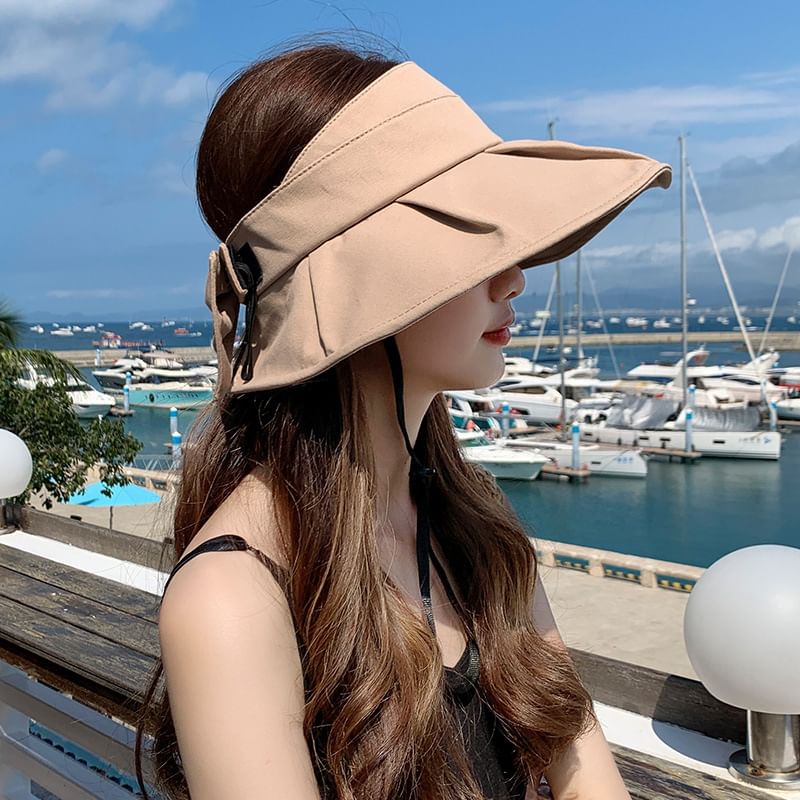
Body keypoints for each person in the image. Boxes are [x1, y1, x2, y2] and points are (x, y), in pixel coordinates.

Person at [134, 39, 671, 800]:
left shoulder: (474, 528)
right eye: (464, 242)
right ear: (356, 281)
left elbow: (589, 780)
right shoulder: (233, 597)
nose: (514, 277)